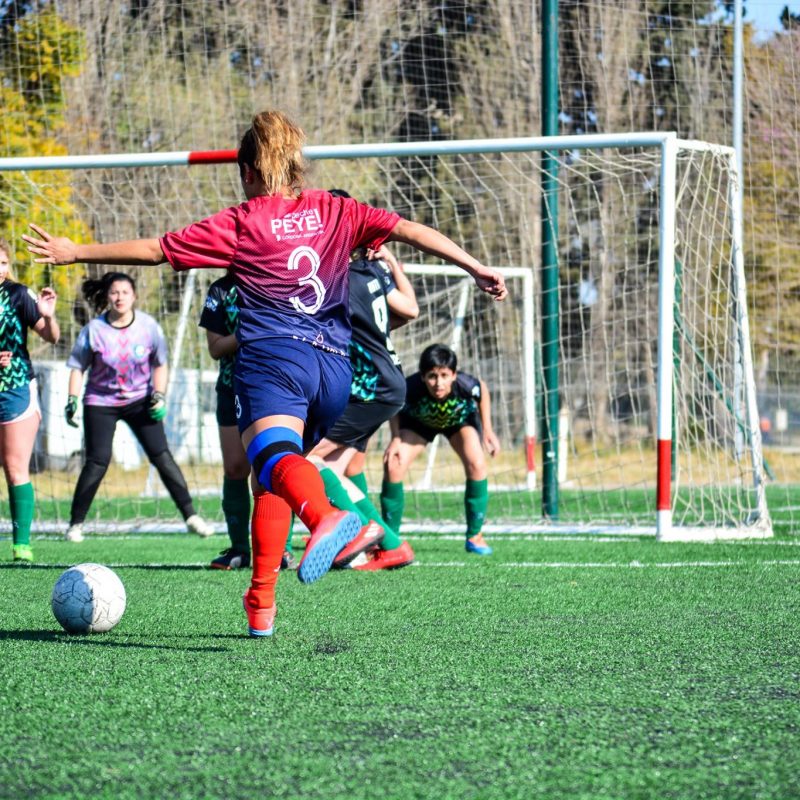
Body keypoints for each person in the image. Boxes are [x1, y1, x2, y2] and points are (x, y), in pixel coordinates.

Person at [23, 108, 507, 638]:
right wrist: (474, 266)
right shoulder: (335, 209)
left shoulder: (241, 221)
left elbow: (156, 250)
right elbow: (409, 230)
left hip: (274, 363)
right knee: (270, 477)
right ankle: (261, 602)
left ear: (249, 171)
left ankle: (324, 516)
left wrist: (77, 252)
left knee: (274, 460)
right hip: (334, 372)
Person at [308, 189, 418, 572]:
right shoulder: (371, 272)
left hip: (368, 389)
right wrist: (391, 261)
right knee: (335, 468)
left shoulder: (335, 282)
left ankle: (363, 531)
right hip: (388, 383)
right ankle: (392, 546)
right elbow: (411, 310)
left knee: (306, 459)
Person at [61, 272, 213, 542]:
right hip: (100, 401)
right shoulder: (94, 330)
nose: (119, 297)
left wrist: (160, 395)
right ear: (107, 296)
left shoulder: (148, 327)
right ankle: (76, 524)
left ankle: (191, 516)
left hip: (140, 401)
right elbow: (77, 367)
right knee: (97, 461)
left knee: (161, 456)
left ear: (134, 296)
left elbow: (160, 363)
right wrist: (72, 399)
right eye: (114, 292)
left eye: (124, 292)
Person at [199, 272, 296, 570]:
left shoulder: (278, 278)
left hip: (272, 386)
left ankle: (282, 548)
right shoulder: (220, 289)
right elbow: (215, 348)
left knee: (271, 465)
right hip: (230, 385)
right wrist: (247, 334)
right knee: (235, 467)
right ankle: (239, 549)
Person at [381, 343, 500, 556]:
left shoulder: (465, 384)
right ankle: (390, 539)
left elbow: (482, 389)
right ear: (422, 376)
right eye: (432, 376)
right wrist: (396, 438)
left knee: (477, 463)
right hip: (420, 424)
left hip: (458, 422)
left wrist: (488, 430)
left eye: (445, 375)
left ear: (454, 375)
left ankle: (475, 535)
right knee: (393, 465)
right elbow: (393, 405)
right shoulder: (410, 387)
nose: (438, 383)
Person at [0, 238, 59, 562]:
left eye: (4, 263)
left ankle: (21, 544)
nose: (1, 269)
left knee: (14, 467)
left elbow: (51, 337)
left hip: (15, 388)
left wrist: (48, 317)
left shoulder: (18, 294)